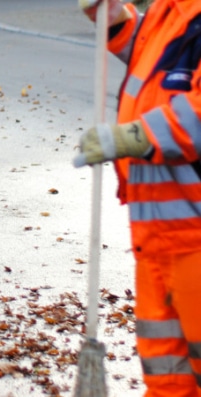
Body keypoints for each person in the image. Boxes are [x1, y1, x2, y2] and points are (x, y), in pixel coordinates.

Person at [75, 0, 201, 395]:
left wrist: (134, 136)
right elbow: (160, 69)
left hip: (194, 239)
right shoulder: (172, 11)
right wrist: (116, 22)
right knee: (168, 377)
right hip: (160, 240)